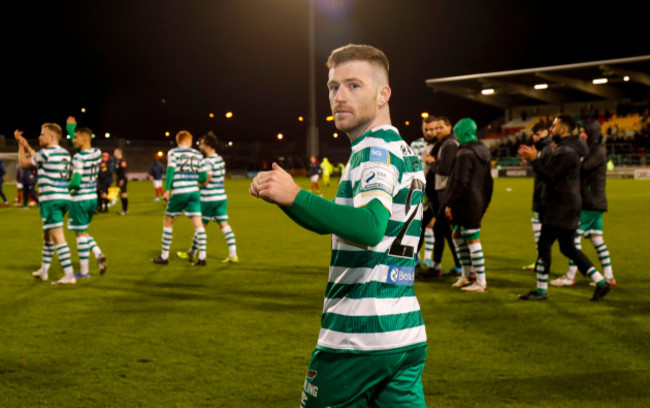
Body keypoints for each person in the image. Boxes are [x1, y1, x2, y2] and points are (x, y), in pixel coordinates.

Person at [250, 44, 427, 408]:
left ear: (383, 94)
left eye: (353, 85)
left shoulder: (373, 149)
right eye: (333, 87)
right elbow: (347, 225)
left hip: (357, 337)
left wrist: (297, 195)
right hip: (405, 333)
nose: (339, 96)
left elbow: (369, 227)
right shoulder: (403, 149)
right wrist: (287, 200)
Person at [518, 114, 611, 301]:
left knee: (545, 245)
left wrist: (535, 160)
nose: (552, 128)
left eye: (555, 125)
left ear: (565, 129)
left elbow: (551, 176)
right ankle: (601, 282)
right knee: (568, 248)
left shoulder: (567, 150)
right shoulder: (568, 148)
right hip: (567, 204)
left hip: (560, 206)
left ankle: (541, 290)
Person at [551, 119, 616, 287]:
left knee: (572, 238)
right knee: (597, 240)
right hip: (595, 202)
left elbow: (583, 167)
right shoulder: (592, 150)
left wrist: (571, 159)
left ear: (591, 133)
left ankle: (570, 276)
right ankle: (609, 276)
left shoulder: (596, 151)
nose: (580, 135)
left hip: (590, 202)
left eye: (583, 132)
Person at [15, 123, 76, 285]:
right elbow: (38, 157)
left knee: (57, 236)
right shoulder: (64, 153)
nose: (40, 137)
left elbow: (23, 163)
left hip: (51, 200)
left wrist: (21, 146)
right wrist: (27, 145)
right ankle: (44, 270)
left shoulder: (46, 153)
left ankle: (69, 275)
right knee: (47, 234)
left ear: (52, 136)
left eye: (42, 134)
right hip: (63, 197)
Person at [443, 118, 493, 291]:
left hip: (466, 202)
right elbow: (489, 183)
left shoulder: (465, 153)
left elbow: (460, 182)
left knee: (472, 240)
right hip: (477, 201)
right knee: (457, 236)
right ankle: (465, 275)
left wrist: (449, 204)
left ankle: (481, 282)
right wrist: (485, 204)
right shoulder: (483, 151)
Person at [177, 132, 238, 263]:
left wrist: (195, 180)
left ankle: (193, 254)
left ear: (208, 145)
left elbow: (205, 180)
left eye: (202, 143)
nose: (200, 146)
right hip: (221, 198)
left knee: (199, 227)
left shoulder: (207, 162)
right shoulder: (220, 159)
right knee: (224, 225)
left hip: (208, 199)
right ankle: (233, 254)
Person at [152, 130, 208, 265]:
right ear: (188, 140)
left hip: (179, 191)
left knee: (168, 222)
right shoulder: (197, 154)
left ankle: (164, 256)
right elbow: (204, 176)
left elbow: (170, 171)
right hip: (194, 192)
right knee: (198, 224)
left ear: (178, 140)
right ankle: (202, 257)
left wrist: (167, 190)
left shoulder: (173, 153)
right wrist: (195, 180)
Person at [65, 117, 107, 279]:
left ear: (85, 138)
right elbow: (82, 147)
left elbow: (75, 182)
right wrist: (72, 130)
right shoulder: (97, 153)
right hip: (92, 199)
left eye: (75, 137)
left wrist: (62, 187)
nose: (73, 140)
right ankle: (98, 254)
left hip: (79, 199)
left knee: (80, 235)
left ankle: (84, 272)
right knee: (82, 231)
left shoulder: (78, 158)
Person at [427, 116, 462, 276]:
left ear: (449, 127)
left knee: (448, 230)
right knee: (445, 231)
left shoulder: (450, 144)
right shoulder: (445, 143)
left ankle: (457, 267)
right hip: (439, 192)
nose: (437, 131)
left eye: (440, 127)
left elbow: (445, 169)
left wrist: (432, 163)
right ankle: (443, 266)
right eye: (436, 128)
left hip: (444, 192)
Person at [522, 122, 553, 271]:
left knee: (543, 234)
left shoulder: (549, 148)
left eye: (538, 133)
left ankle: (542, 263)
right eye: (534, 134)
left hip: (545, 197)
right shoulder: (543, 148)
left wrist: (534, 160)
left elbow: (547, 173)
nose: (535, 137)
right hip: (541, 195)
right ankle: (540, 261)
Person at [415, 116, 438, 271]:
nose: (429, 132)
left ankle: (428, 257)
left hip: (434, 190)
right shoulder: (415, 144)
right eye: (426, 129)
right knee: (416, 225)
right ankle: (415, 256)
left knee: (430, 226)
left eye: (432, 129)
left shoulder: (439, 145)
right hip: (417, 190)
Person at [113, 148, 128, 215]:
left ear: (119, 153)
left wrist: (121, 179)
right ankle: (123, 209)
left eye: (115, 152)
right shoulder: (117, 161)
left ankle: (125, 210)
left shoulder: (122, 160)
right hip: (119, 179)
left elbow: (123, 170)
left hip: (122, 179)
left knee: (123, 194)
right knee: (121, 194)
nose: (114, 154)